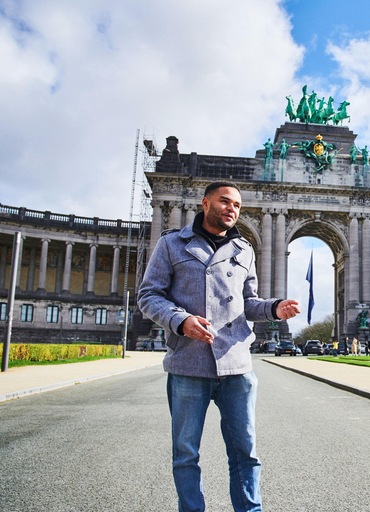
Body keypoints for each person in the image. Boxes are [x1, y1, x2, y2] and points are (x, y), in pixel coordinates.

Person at [137, 181, 300, 512]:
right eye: (225, 202)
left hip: (236, 366)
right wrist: (179, 320)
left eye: (237, 206)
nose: (232, 209)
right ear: (205, 203)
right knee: (186, 454)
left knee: (246, 453)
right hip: (188, 362)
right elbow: (148, 295)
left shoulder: (245, 250)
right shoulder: (172, 243)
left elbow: (248, 303)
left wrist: (273, 308)